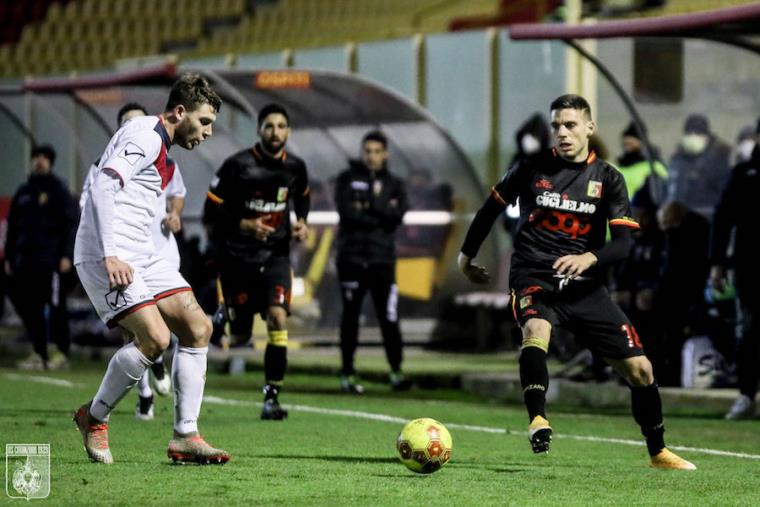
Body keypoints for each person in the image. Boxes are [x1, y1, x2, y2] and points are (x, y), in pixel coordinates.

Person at [457, 94, 696, 470]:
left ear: (589, 127)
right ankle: (538, 419)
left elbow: (624, 245)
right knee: (536, 328)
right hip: (534, 274)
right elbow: (491, 208)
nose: (562, 133)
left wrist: (590, 257)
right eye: (556, 126)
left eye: (570, 125)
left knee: (642, 370)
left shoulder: (608, 179)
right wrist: (466, 256)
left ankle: (658, 452)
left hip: (584, 285)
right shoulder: (531, 168)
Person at [72, 74, 229, 464]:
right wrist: (110, 254)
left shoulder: (158, 141)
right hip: (106, 255)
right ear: (180, 111)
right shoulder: (145, 136)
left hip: (141, 252)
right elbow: (103, 187)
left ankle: (185, 436)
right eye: (204, 121)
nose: (208, 132)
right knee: (155, 339)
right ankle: (93, 417)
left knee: (198, 327)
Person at [203, 103, 310, 420]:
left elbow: (302, 196)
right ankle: (221, 317)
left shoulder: (296, 167)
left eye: (281, 126)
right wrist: (245, 225)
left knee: (278, 318)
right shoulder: (237, 165)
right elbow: (211, 211)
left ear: (288, 131)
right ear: (259, 130)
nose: (275, 132)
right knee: (240, 337)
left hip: (276, 256)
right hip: (237, 260)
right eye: (269, 126)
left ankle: (271, 398)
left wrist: (301, 221)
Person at [80, 102, 183, 420]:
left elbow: (177, 193)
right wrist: (108, 253)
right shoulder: (104, 166)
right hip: (124, 255)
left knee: (191, 326)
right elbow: (92, 200)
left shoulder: (165, 159)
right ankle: (145, 396)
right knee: (143, 333)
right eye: (128, 123)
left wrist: (175, 213)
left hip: (160, 251)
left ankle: (186, 428)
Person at [334, 131, 411, 393]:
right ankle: (347, 372)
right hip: (352, 259)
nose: (372, 156)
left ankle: (396, 371)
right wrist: (381, 209)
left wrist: (368, 205)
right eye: (368, 151)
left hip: (382, 261)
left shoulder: (395, 183)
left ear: (385, 154)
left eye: (377, 151)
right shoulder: (347, 178)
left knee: (388, 317)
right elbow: (347, 214)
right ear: (362, 151)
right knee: (351, 318)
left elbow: (397, 215)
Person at [5, 144, 79, 371]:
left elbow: (70, 225)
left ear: (51, 162)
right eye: (36, 157)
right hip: (26, 262)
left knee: (56, 308)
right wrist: (9, 257)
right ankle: (39, 351)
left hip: (52, 261)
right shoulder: (23, 192)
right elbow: (13, 228)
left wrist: (67, 255)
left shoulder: (58, 191)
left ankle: (60, 352)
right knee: (31, 309)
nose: (39, 161)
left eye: (44, 157)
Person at [710, 118, 760, 420]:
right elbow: (723, 219)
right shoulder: (743, 175)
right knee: (750, 332)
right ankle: (746, 394)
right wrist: (717, 263)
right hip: (751, 266)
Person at [667, 114, 731, 219]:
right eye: (689, 133)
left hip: (706, 216)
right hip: (679, 217)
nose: (693, 136)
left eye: (698, 133)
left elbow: (722, 194)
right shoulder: (678, 159)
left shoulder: (719, 159)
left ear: (707, 137)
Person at [615, 121, 668, 200]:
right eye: (626, 144)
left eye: (631, 143)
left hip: (643, 210)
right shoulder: (618, 167)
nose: (627, 148)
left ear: (642, 143)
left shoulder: (654, 167)